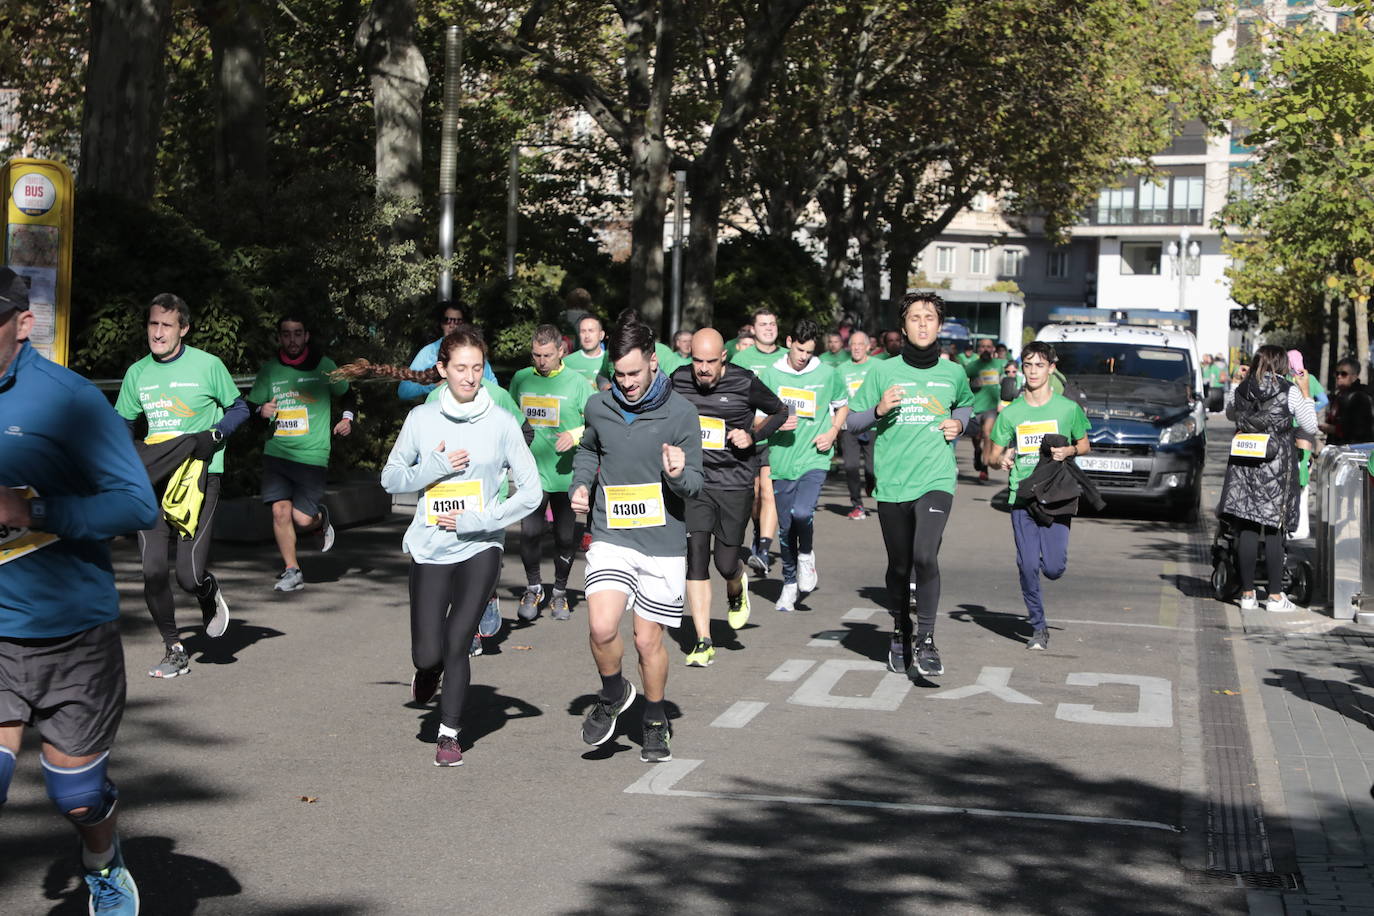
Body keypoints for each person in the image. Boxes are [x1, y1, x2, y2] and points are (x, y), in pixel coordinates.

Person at [1, 268, 160, 914]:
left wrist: (33, 513)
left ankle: (102, 859)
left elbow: (135, 505)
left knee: (77, 796)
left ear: (23, 324)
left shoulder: (68, 401)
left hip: (72, 630)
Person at [381, 328, 541, 766]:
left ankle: (449, 732)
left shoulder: (502, 423)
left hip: (481, 545)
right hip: (432, 546)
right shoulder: (422, 420)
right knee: (428, 652)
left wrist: (481, 520)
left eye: (477, 368)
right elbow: (391, 478)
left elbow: (531, 493)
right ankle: (427, 671)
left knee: (458, 639)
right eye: (460, 369)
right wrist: (429, 467)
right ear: (442, 371)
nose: (470, 377)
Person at [571, 320, 703, 762]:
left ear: (653, 362)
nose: (625, 383)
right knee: (601, 625)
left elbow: (696, 485)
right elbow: (589, 450)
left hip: (663, 542)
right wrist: (582, 484)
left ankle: (654, 717)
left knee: (648, 642)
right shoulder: (598, 405)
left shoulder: (681, 413)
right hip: (612, 533)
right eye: (618, 374)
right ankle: (613, 693)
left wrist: (679, 473)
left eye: (633, 373)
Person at [116, 293, 249, 680]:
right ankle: (174, 647)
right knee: (153, 569)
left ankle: (207, 591)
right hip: (154, 478)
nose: (157, 333)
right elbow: (122, 422)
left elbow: (240, 407)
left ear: (183, 329)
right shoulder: (137, 373)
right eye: (153, 324)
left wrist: (216, 433)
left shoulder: (208, 365)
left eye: (166, 326)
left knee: (187, 576)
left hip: (199, 474)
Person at [848, 292, 973, 678]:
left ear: (939, 325)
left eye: (930, 317)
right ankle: (901, 631)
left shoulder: (953, 372)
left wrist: (960, 424)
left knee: (925, 556)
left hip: (936, 478)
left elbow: (966, 404)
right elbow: (852, 423)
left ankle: (928, 640)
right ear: (903, 327)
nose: (922, 323)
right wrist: (879, 410)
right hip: (893, 483)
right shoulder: (882, 372)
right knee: (900, 567)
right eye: (915, 317)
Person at [671, 328, 787, 665]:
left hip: (734, 482)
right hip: (694, 482)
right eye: (697, 361)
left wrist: (752, 435)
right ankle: (703, 640)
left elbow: (781, 412)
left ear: (724, 357)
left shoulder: (744, 382)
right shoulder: (678, 380)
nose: (703, 369)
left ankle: (737, 585)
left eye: (710, 361)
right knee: (695, 559)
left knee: (724, 563)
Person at [985, 342, 1091, 651]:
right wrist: (1001, 459)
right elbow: (992, 455)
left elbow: (1084, 445)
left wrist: (1069, 450)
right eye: (1028, 365)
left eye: (1039, 365)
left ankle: (1048, 567)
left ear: (1051, 369)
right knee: (1027, 564)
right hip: (1023, 495)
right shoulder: (1012, 413)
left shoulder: (1067, 409)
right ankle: (1038, 626)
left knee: (1054, 568)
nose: (1033, 371)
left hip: (1057, 494)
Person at [247, 315, 354, 592]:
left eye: (297, 333)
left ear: (306, 336)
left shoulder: (325, 366)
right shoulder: (270, 370)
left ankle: (320, 520)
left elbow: (348, 394)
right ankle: (291, 570)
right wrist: (261, 411)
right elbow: (250, 405)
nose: (292, 339)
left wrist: (347, 419)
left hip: (312, 454)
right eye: (286, 334)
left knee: (302, 518)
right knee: (280, 512)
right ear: (279, 338)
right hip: (277, 451)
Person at [1218, 346, 1319, 613]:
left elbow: (1230, 413)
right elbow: (1310, 426)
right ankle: (1275, 596)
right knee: (1274, 529)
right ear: (1282, 364)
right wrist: (1307, 394)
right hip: (1277, 466)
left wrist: (1238, 383)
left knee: (1247, 526)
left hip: (1244, 463)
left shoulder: (1242, 389)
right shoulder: (1290, 391)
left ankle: (1248, 594)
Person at [759, 319, 849, 612]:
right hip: (783, 458)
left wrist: (833, 432)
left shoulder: (827, 373)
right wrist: (777, 423)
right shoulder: (771, 375)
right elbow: (756, 420)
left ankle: (806, 556)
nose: (803, 357)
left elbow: (842, 404)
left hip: (815, 455)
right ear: (788, 342)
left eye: (809, 352)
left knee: (802, 512)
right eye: (799, 350)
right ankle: (788, 583)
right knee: (785, 529)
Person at [509, 325, 595, 622]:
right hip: (530, 473)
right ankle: (533, 588)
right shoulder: (521, 378)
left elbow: (597, 423)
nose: (541, 361)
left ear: (562, 351)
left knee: (564, 536)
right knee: (530, 532)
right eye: (536, 355)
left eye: (547, 355)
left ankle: (559, 592)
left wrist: (575, 434)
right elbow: (509, 418)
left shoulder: (578, 383)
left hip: (565, 474)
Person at [727, 309, 783, 575]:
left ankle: (763, 548)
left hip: (776, 436)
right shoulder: (742, 358)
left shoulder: (787, 357)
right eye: (763, 324)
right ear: (754, 328)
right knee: (754, 496)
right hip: (747, 436)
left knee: (768, 491)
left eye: (772, 324)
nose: (768, 328)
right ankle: (758, 530)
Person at [397, 303, 495, 402]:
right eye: (447, 320)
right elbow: (404, 391)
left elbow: (495, 389)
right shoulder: (429, 352)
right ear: (441, 324)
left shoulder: (475, 351)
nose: (452, 325)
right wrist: (434, 385)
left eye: (457, 321)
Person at [839, 331, 877, 519]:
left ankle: (871, 483)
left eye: (860, 344)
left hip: (873, 424)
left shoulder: (879, 366)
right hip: (849, 424)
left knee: (872, 468)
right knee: (851, 466)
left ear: (868, 347)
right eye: (853, 344)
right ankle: (857, 504)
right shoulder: (841, 370)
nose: (856, 348)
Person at [963, 337, 1007, 483]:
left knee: (988, 434)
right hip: (975, 407)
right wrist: (972, 385)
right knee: (976, 437)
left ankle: (984, 467)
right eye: (983, 347)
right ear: (979, 349)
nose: (986, 349)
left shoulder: (999, 364)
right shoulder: (972, 366)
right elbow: (961, 385)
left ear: (993, 349)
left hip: (991, 407)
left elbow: (1011, 375)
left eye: (989, 346)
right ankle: (977, 452)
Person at [1322, 358, 1373, 446]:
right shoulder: (1338, 396)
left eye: (1344, 374)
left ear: (1354, 377)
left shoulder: (1360, 397)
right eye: (1337, 373)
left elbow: (1361, 430)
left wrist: (1334, 429)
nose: (1339, 376)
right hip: (1337, 449)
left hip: (1353, 451)